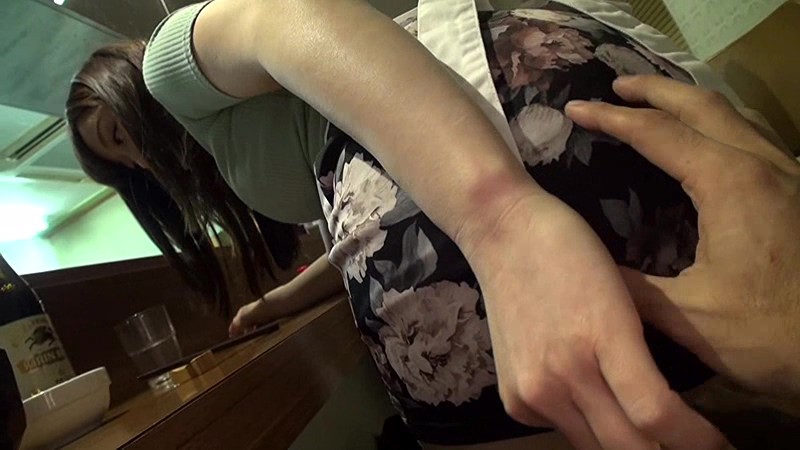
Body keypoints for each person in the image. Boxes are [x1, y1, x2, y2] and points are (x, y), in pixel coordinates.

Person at [66, 1, 746, 448]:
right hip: (549, 136)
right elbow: (377, 201)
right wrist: (283, 299)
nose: (141, 162)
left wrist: (501, 219)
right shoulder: (237, 137)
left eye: (119, 134)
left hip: (507, 161)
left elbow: (284, 16)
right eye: (124, 168)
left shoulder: (168, 64)